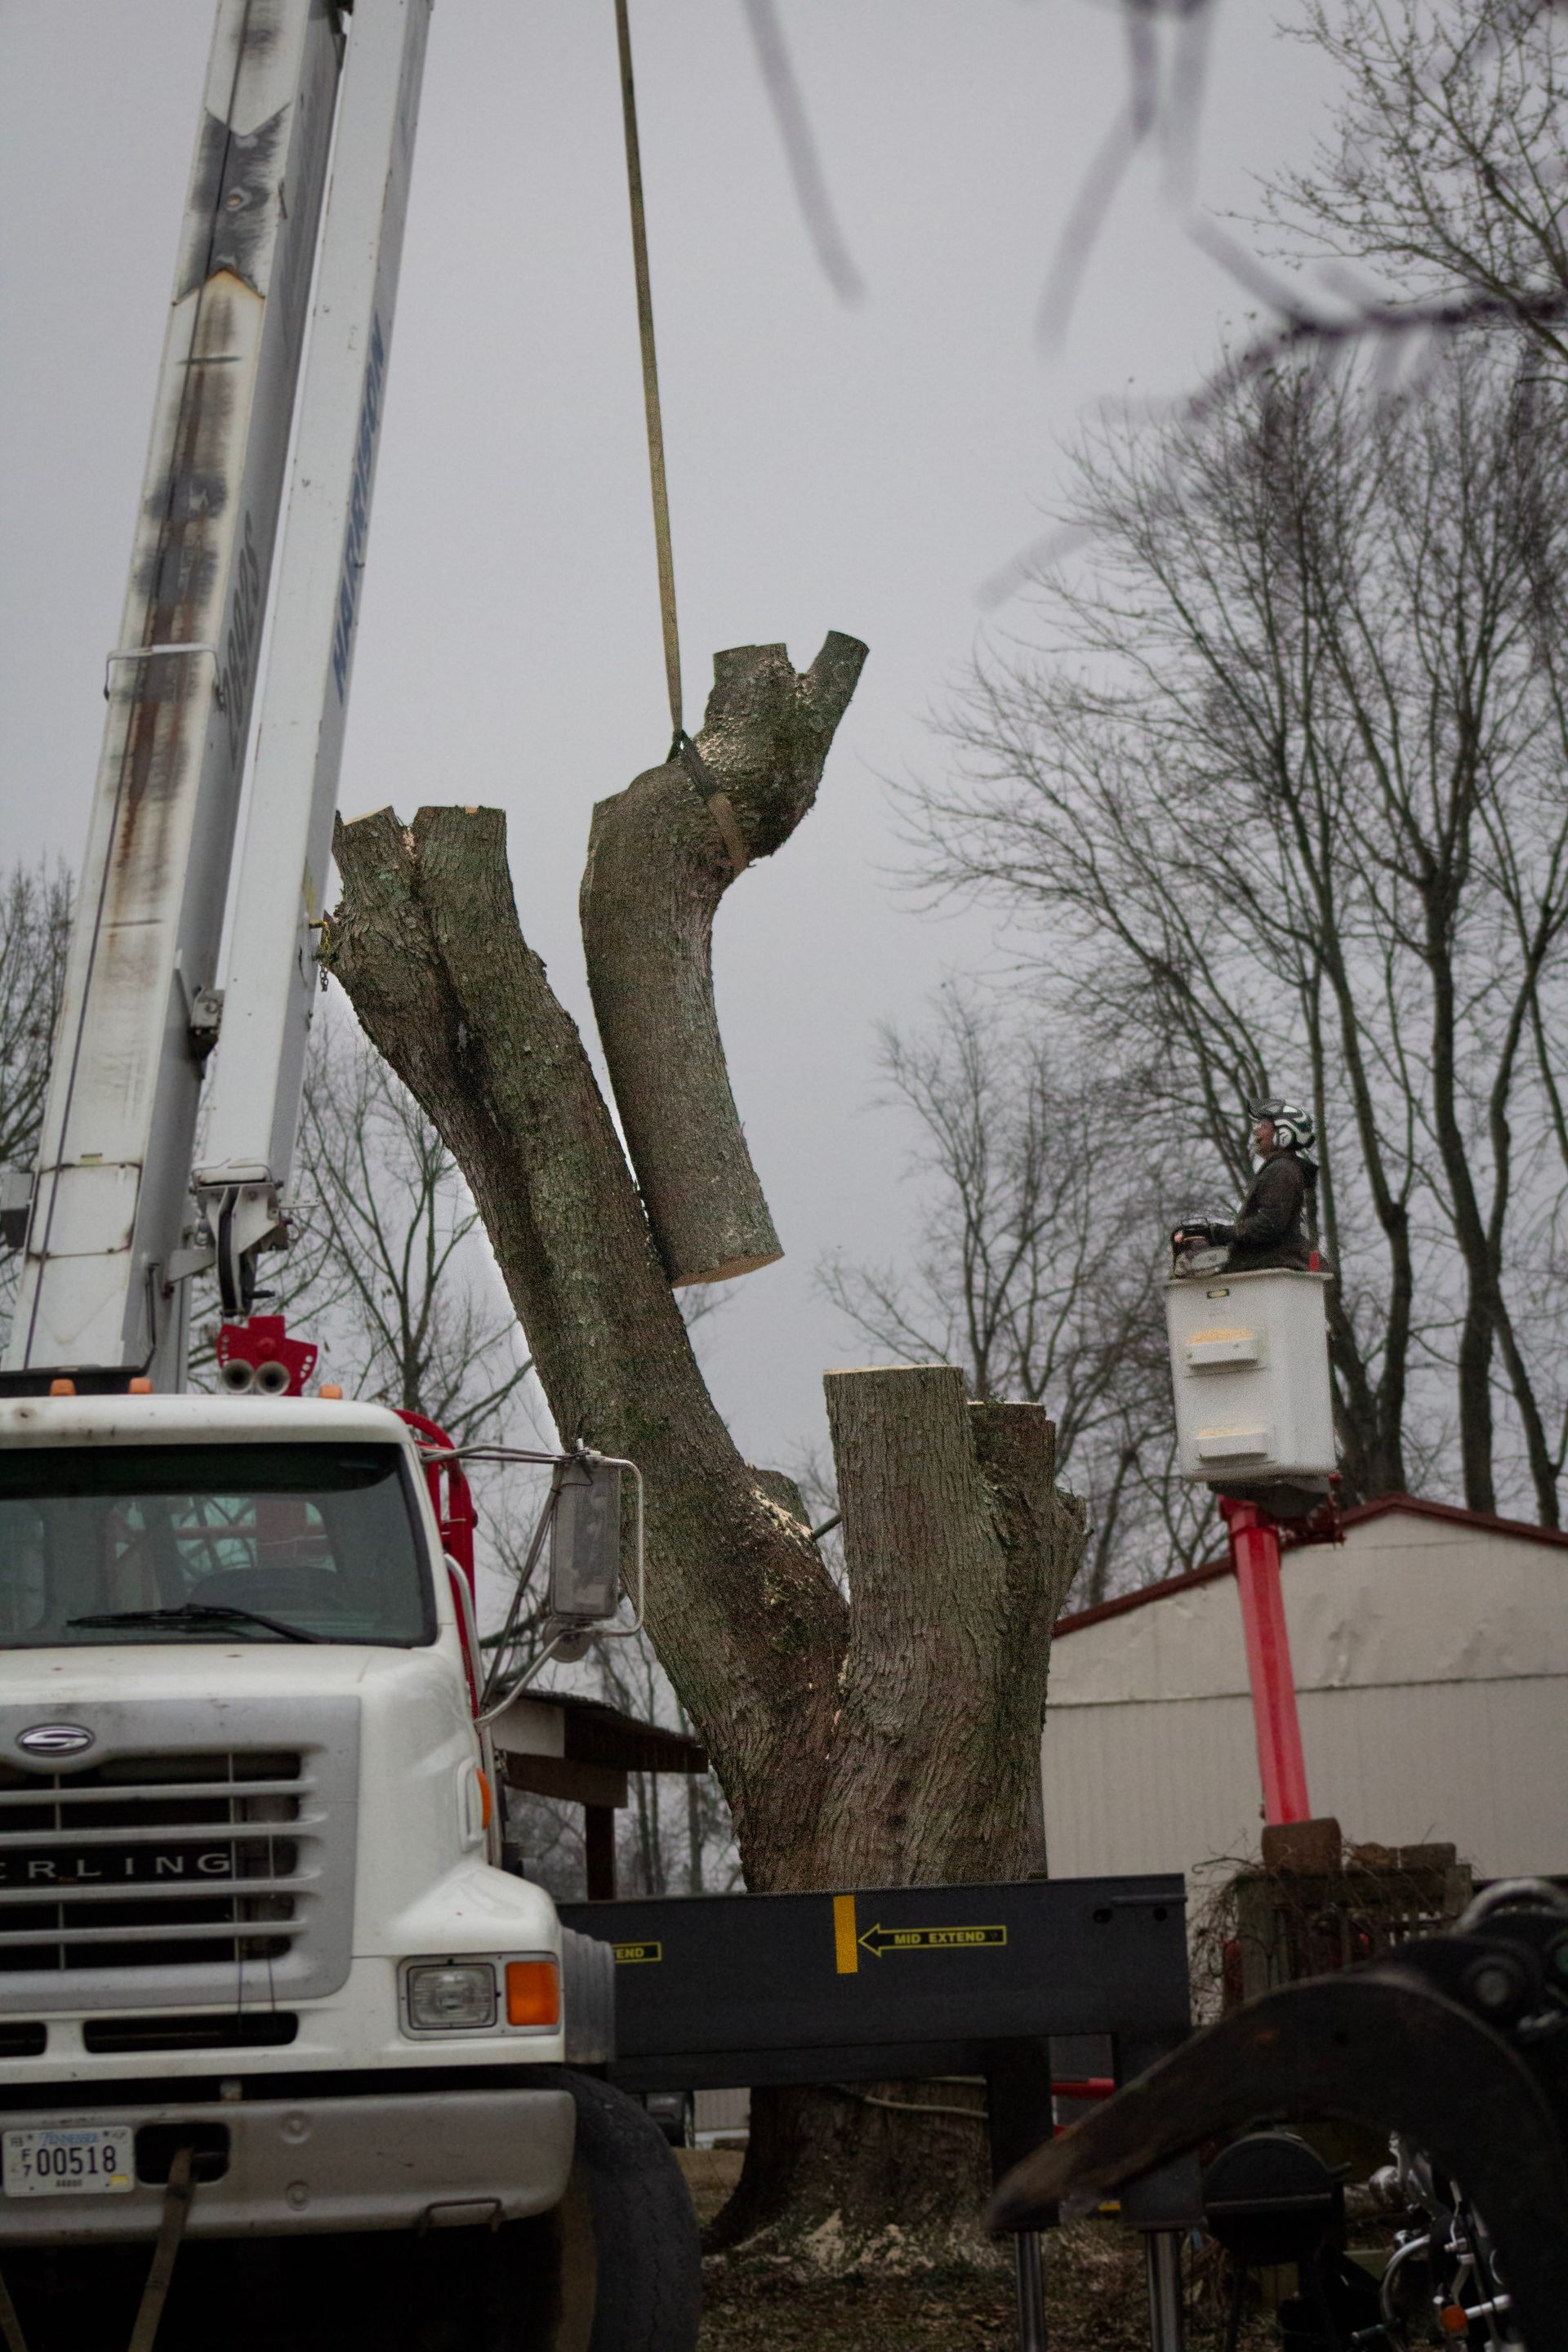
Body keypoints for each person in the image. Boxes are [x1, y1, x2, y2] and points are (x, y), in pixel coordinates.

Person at [1173, 1100, 1319, 1274]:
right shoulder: (1284, 1169)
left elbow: (1267, 1226)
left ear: (1284, 1134)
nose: (1256, 1131)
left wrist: (1219, 1233)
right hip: (1271, 1266)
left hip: (1270, 1267)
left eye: (1263, 1126)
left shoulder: (1281, 1171)